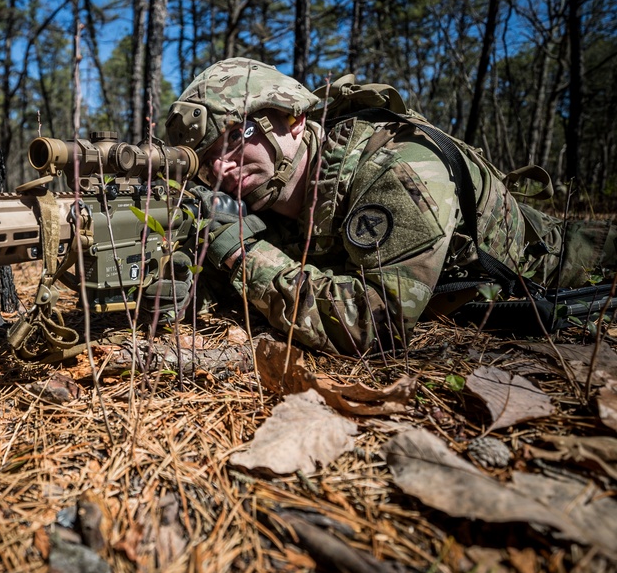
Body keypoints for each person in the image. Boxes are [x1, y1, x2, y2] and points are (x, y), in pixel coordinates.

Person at [162, 57, 616, 355]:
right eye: (205, 156)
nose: (220, 164)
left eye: (237, 136)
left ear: (293, 120)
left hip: (576, 263)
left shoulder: (397, 171)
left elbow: (375, 325)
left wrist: (243, 252)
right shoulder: (267, 193)